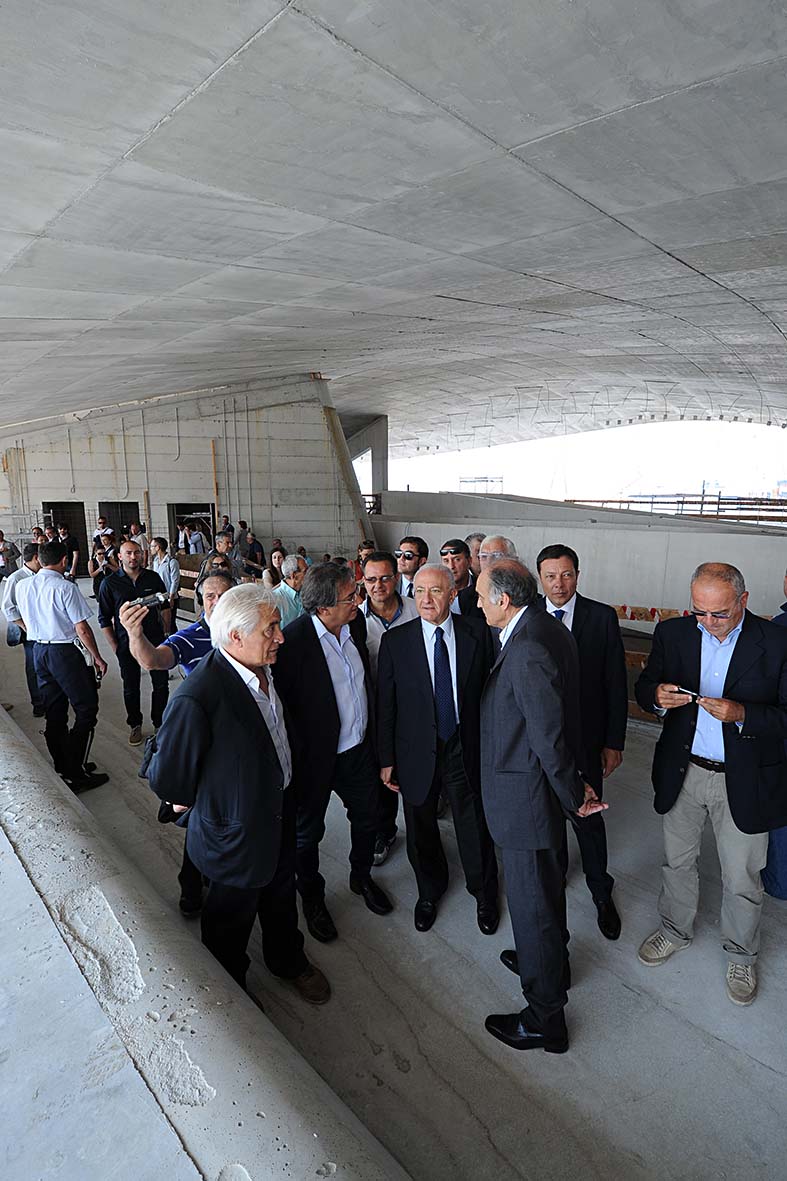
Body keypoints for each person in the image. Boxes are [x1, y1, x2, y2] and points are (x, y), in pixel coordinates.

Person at [147, 585, 330, 1004]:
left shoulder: (267, 670)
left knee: (281, 897)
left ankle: (286, 960)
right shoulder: (199, 696)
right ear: (234, 636)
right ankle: (234, 999)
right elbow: (170, 780)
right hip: (234, 834)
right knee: (229, 921)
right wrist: (220, 801)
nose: (280, 637)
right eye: (271, 629)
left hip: (278, 812)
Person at [635, 562, 787, 1006]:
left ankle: (742, 952)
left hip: (746, 779)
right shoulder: (674, 634)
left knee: (742, 874)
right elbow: (646, 687)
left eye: (718, 613)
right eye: (698, 611)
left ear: (743, 600)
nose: (707, 623)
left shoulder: (777, 643)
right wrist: (656, 698)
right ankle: (674, 929)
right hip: (684, 771)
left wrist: (743, 715)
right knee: (677, 861)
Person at [476, 560, 605, 1054]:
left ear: (505, 601)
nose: (478, 604)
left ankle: (544, 1018)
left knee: (532, 910)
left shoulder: (526, 648)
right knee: (545, 895)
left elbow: (548, 737)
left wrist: (577, 797)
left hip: (525, 802)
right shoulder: (545, 625)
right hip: (537, 795)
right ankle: (549, 962)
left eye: (483, 596)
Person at [272, 562, 393, 943]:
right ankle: (312, 897)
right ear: (323, 608)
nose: (359, 601)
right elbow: (285, 710)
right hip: (315, 761)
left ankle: (361, 877)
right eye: (350, 597)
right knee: (307, 835)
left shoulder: (353, 626)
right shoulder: (292, 645)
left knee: (368, 818)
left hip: (358, 751)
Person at [377, 564, 498, 933]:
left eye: (435, 591)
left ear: (452, 594)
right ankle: (429, 891)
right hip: (416, 750)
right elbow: (387, 705)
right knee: (420, 825)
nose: (426, 599)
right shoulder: (396, 642)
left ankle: (484, 893)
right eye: (420, 592)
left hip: (465, 744)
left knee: (473, 823)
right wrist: (386, 759)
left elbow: (493, 693)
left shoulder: (477, 632)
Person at [121, 570, 235, 915]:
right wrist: (134, 634)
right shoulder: (192, 637)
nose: (216, 602)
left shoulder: (241, 631)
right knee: (203, 822)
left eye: (223, 595)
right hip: (205, 746)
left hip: (239, 742)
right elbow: (154, 659)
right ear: (200, 601)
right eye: (209, 596)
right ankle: (192, 888)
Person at [536, 544, 627, 940]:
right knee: (547, 819)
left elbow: (614, 684)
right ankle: (551, 885)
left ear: (578, 574)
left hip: (588, 742)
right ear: (540, 577)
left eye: (567, 574)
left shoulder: (601, 617)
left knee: (589, 820)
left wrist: (613, 741)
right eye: (551, 576)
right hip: (542, 744)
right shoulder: (526, 616)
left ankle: (601, 893)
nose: (560, 584)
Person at [15, 540, 109, 791]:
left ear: (39, 559)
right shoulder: (65, 588)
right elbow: (82, 628)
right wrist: (97, 657)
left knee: (54, 710)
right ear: (64, 560)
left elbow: (18, 616)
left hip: (39, 650)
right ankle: (75, 770)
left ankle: (62, 764)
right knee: (86, 707)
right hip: (63, 652)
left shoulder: (23, 586)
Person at [359, 550, 419, 865]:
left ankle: (421, 833)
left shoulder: (416, 610)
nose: (378, 585)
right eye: (371, 580)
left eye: (384, 578)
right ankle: (385, 830)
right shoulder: (355, 620)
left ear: (396, 578)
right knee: (379, 776)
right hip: (376, 712)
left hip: (415, 710)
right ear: (363, 581)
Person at [98, 540, 170, 746]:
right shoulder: (109, 584)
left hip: (156, 641)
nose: (133, 557)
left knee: (161, 684)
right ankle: (135, 724)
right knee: (131, 686)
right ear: (119, 556)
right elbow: (104, 618)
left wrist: (166, 630)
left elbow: (165, 605)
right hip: (126, 643)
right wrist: (115, 646)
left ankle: (159, 722)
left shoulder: (153, 578)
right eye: (128, 553)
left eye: (137, 553)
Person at [1, 542, 45, 716]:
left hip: (45, 628)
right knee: (33, 666)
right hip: (29, 632)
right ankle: (38, 703)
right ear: (36, 558)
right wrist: (25, 627)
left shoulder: (43, 575)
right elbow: (8, 607)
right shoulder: (16, 578)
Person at [458, 535, 517, 617]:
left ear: (512, 559)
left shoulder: (524, 594)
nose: (489, 561)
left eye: (496, 556)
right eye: (484, 556)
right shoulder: (465, 597)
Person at [273, 555, 308, 628]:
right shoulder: (275, 600)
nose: (309, 574)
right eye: (305, 571)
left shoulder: (307, 593)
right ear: (293, 575)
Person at [439, 538, 473, 613]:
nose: (451, 566)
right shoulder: (437, 591)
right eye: (446, 561)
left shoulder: (481, 588)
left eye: (457, 560)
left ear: (469, 561)